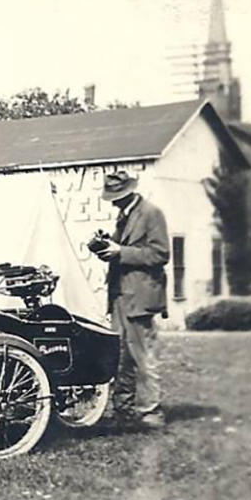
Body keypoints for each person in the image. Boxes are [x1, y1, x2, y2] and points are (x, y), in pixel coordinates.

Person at [93, 170, 170, 429]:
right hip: (119, 294)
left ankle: (151, 412)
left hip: (140, 296)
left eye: (117, 197)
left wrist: (121, 251)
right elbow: (125, 249)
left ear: (129, 193)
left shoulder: (151, 213)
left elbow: (160, 254)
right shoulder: (124, 216)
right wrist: (106, 246)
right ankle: (123, 409)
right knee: (120, 354)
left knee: (143, 355)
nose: (113, 202)